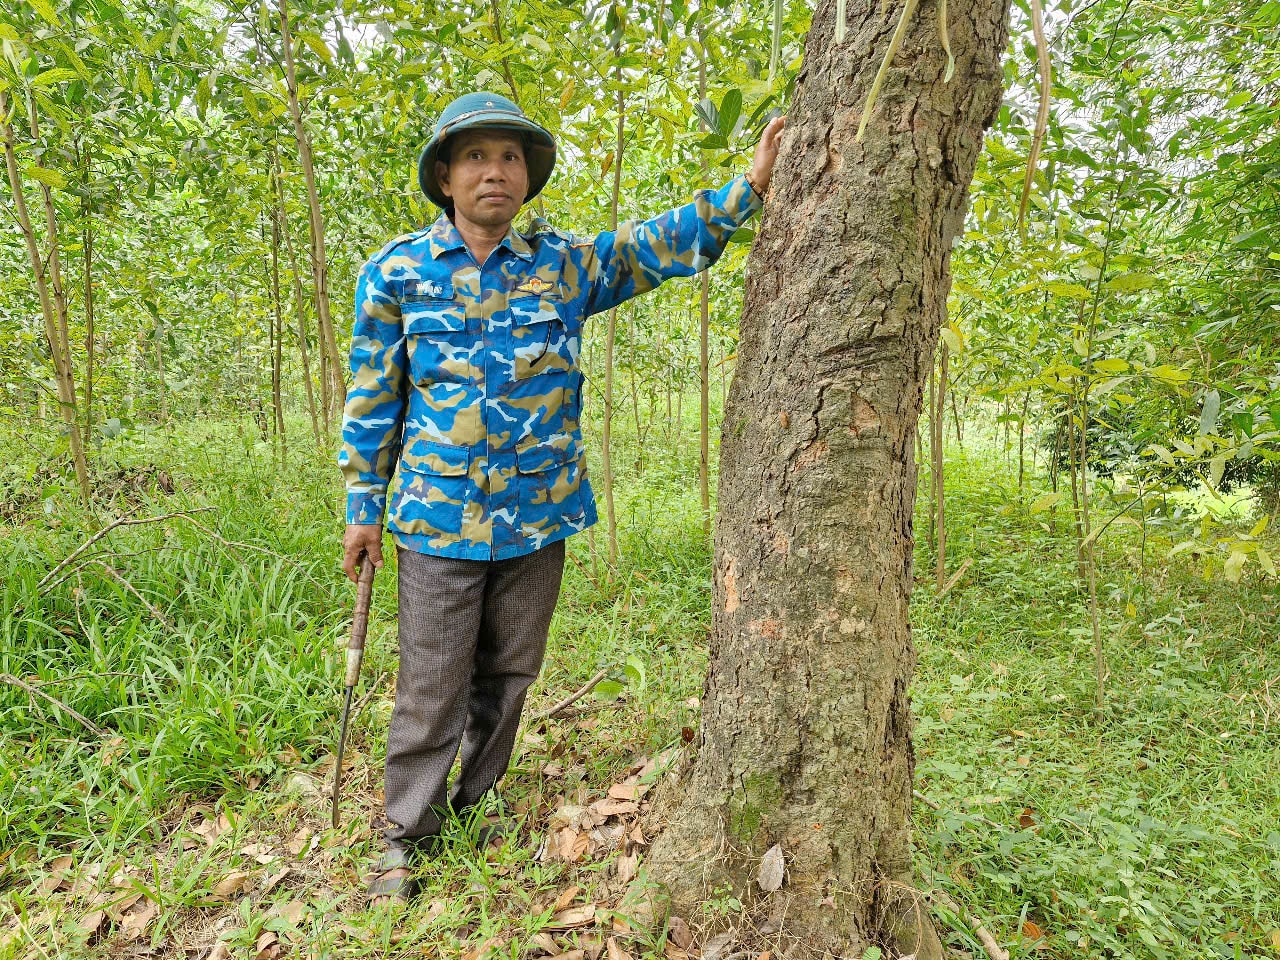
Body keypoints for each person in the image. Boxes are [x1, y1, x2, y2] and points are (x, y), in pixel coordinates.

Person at [338, 91, 785, 902]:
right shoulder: (396, 273)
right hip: (438, 520)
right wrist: (362, 508)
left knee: (510, 672)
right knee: (431, 681)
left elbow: (650, 247)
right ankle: (405, 833)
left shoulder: (563, 264)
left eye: (510, 157)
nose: (494, 173)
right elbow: (374, 402)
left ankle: (477, 801)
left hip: (539, 515)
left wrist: (746, 190)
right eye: (475, 157)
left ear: (527, 177)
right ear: (445, 176)